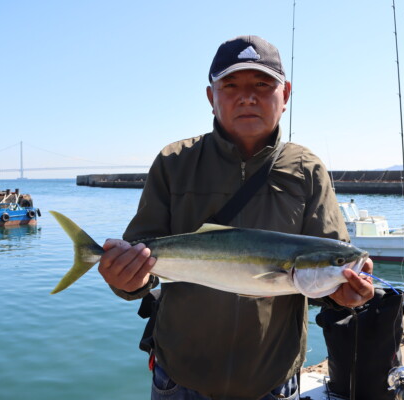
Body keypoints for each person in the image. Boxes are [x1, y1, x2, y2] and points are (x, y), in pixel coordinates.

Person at [99, 35, 374, 400]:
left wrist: (345, 295)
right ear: (211, 97)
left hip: (272, 379)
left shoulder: (307, 169)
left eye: (263, 85)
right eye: (231, 85)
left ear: (285, 94)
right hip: (180, 375)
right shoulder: (174, 162)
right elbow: (141, 269)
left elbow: (326, 270)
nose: (247, 96)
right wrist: (125, 279)